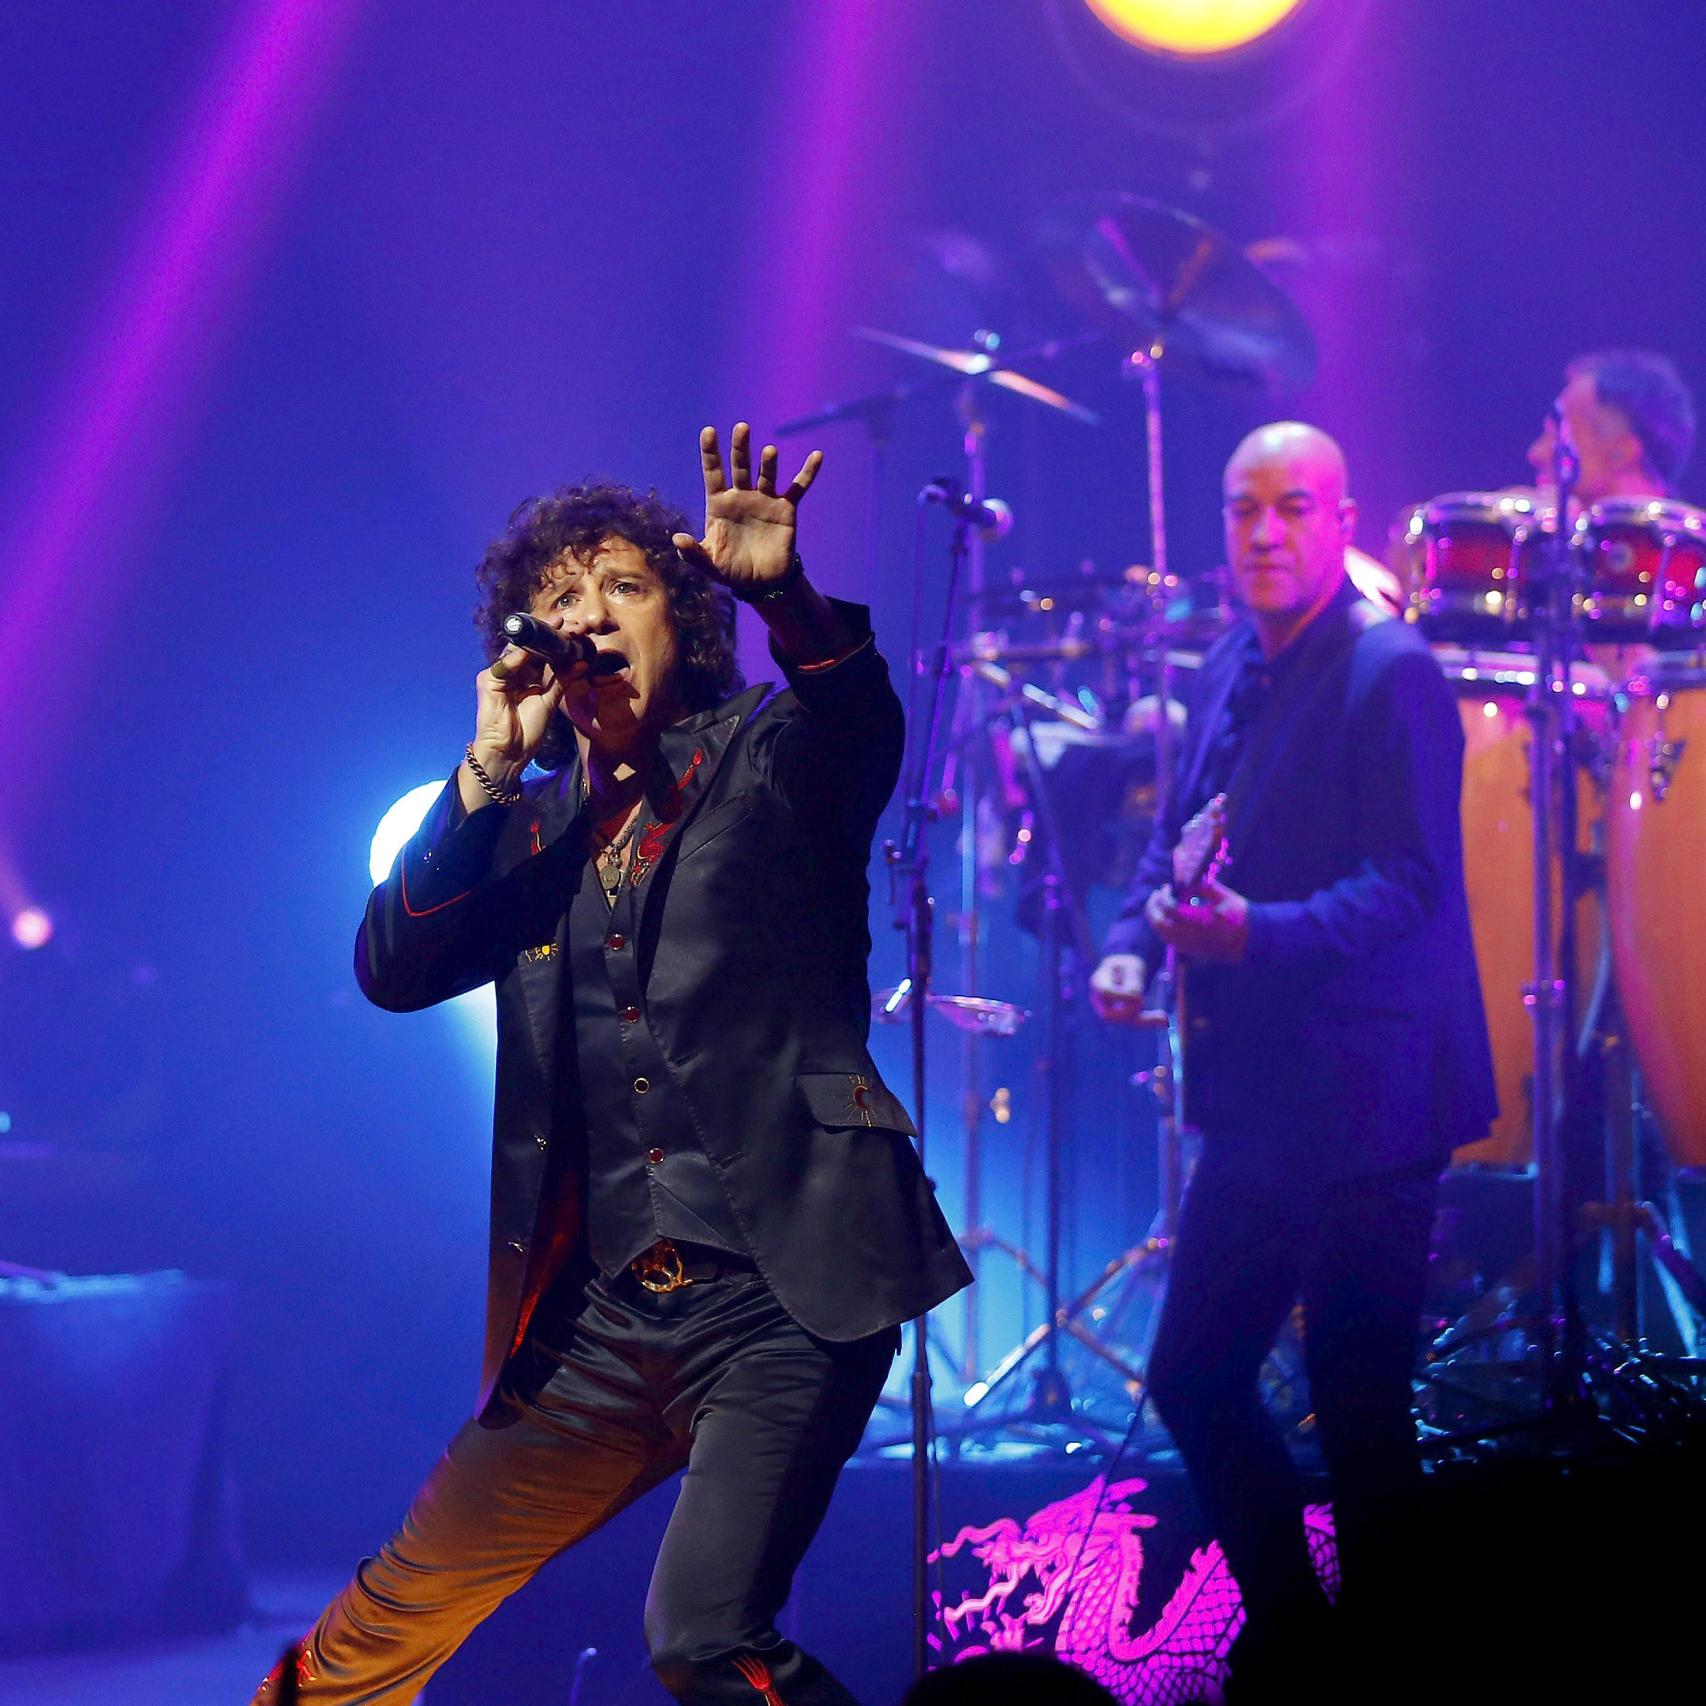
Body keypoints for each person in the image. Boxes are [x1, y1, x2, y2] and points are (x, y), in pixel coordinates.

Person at [257, 423, 971, 1704]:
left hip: (785, 1288)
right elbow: (392, 968)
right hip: (594, 1321)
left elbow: (859, 719)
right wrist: (485, 765)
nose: (589, 619)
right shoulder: (524, 825)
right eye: (560, 600)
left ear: (677, 621)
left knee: (703, 1635)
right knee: (368, 1633)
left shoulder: (767, 754)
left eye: (623, 589)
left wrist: (789, 601)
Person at [1088, 422, 1495, 1682]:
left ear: (1339, 519)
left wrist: (1254, 937)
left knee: (1357, 1408)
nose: (1263, 531)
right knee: (1194, 1372)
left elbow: (1413, 881)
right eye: (1242, 507)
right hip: (1268, 1102)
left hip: (1373, 1097)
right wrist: (1128, 943)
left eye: (1291, 507)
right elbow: (1180, 839)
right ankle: (1300, 1646)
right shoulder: (1231, 663)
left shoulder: (1391, 669)